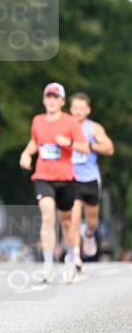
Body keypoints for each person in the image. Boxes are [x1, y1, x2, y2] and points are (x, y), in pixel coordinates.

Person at [19, 82, 89, 284]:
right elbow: (35, 142)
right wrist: (26, 153)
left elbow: (84, 148)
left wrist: (68, 143)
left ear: (62, 101)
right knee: (47, 218)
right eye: (47, 96)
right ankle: (48, 266)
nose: (50, 100)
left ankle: (69, 261)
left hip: (66, 178)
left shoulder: (70, 122)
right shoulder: (38, 120)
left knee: (67, 222)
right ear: (44, 100)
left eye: (55, 97)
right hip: (43, 177)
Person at [68, 92, 114, 262]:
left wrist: (88, 145)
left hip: (90, 178)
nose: (78, 112)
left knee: (92, 221)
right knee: (73, 218)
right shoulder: (65, 126)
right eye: (75, 108)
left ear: (88, 110)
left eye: (81, 108)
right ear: (70, 109)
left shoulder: (93, 128)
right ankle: (74, 255)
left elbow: (109, 148)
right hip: (71, 178)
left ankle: (88, 234)